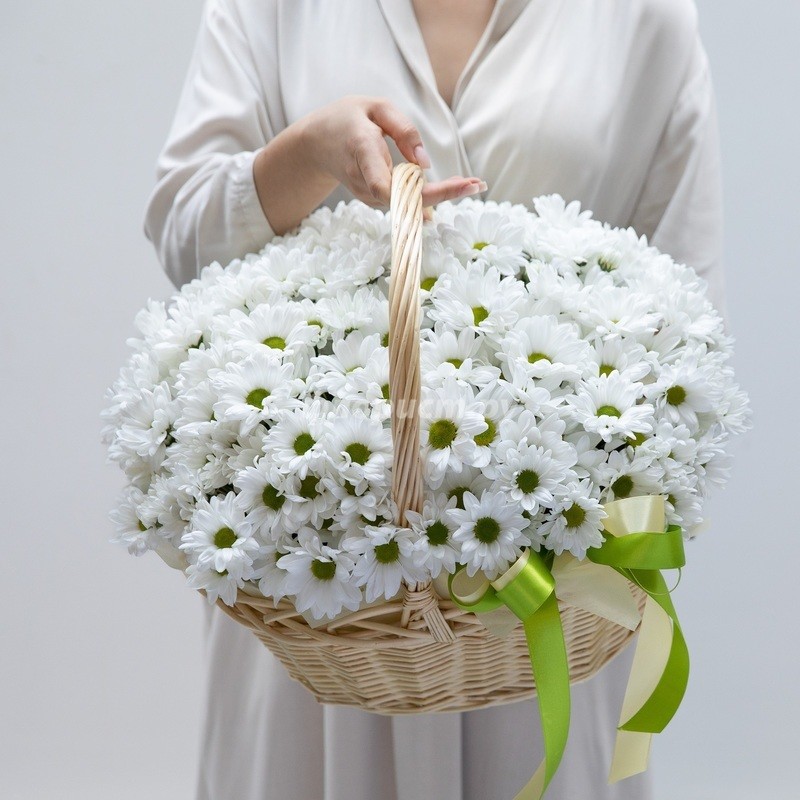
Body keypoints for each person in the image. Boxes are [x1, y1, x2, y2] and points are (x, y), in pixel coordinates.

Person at [144, 1, 725, 798]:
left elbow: (686, 308)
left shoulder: (643, 17)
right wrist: (309, 152)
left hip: (544, 597)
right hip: (320, 581)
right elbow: (185, 232)